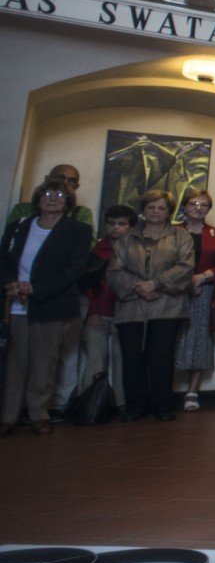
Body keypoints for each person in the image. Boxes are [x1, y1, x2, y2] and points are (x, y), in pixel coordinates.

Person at [1, 178, 93, 435]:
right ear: (38, 198)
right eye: (47, 193)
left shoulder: (77, 231)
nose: (52, 198)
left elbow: (73, 270)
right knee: (14, 362)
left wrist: (36, 289)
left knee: (45, 362)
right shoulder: (19, 226)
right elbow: (4, 260)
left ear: (68, 203)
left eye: (59, 195)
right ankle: (8, 415)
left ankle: (37, 413)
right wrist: (12, 283)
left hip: (51, 304)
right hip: (15, 304)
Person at [109, 189, 194, 422]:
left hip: (168, 305)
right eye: (151, 208)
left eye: (161, 208)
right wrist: (139, 286)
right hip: (132, 306)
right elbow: (115, 271)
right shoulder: (126, 238)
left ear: (169, 212)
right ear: (143, 210)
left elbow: (185, 267)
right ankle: (135, 406)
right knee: (132, 357)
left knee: (161, 357)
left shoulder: (180, 236)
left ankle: (162, 405)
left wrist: (155, 284)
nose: (156, 212)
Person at [174, 189, 215, 412]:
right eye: (193, 203)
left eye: (204, 204)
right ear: (185, 206)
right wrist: (186, 282)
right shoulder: (172, 232)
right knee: (172, 339)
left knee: (199, 341)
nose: (198, 207)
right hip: (173, 292)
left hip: (204, 294)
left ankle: (192, 391)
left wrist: (203, 277)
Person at [80, 204, 135, 409]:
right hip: (99, 310)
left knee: (123, 360)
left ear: (130, 227)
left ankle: (122, 404)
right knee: (95, 360)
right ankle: (89, 404)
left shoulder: (135, 250)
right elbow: (89, 285)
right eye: (112, 223)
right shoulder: (97, 250)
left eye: (122, 224)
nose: (116, 228)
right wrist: (92, 312)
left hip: (125, 311)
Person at [6, 163, 94, 228]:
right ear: (47, 179)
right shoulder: (22, 210)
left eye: (71, 181)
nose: (65, 183)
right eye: (60, 177)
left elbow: (85, 244)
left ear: (76, 187)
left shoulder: (82, 213)